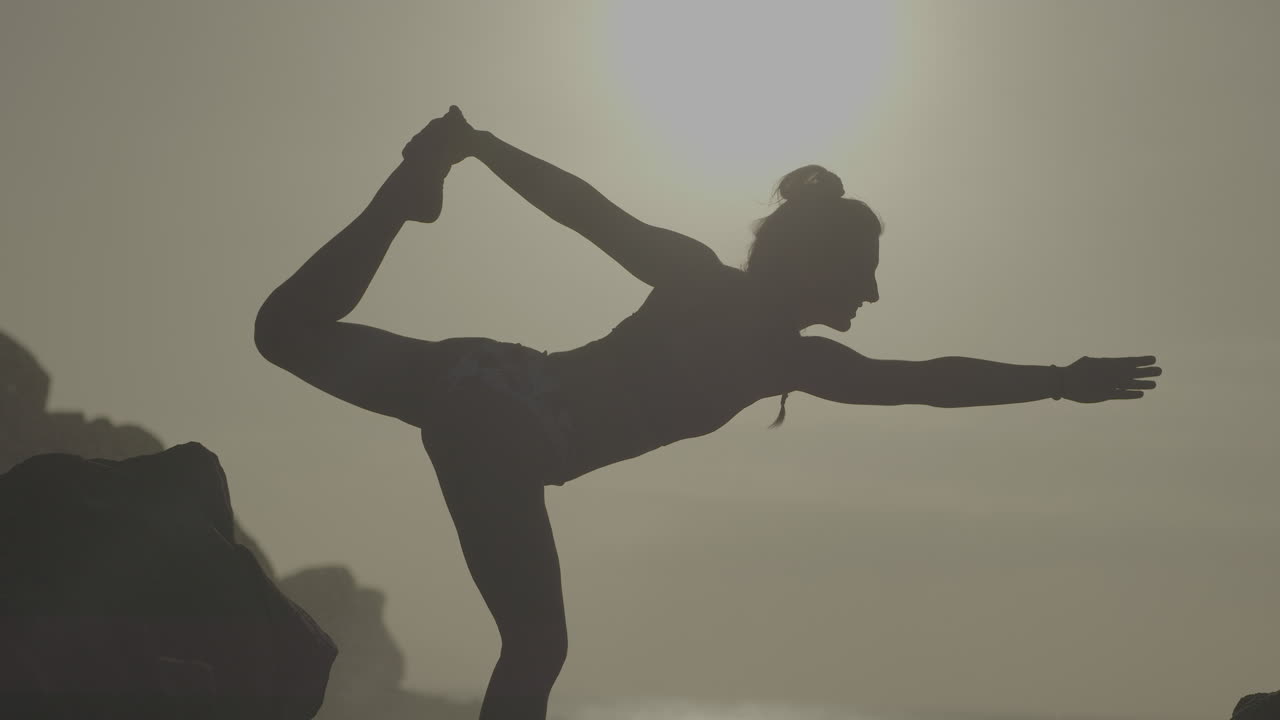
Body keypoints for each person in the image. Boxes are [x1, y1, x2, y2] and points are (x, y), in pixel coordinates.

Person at [253, 106, 1162, 720]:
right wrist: (1054, 379)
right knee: (537, 643)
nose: (875, 292)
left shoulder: (705, 286)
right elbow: (923, 379)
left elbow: (587, 212)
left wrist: (478, 146)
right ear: (820, 268)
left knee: (284, 331)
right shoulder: (783, 355)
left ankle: (402, 196)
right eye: (864, 273)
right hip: (510, 433)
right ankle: (415, 189)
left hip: (483, 381)